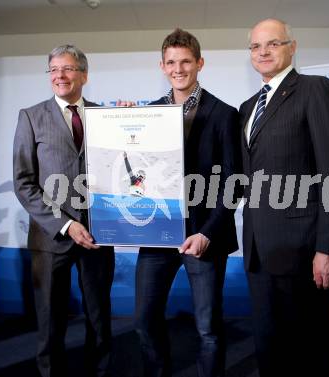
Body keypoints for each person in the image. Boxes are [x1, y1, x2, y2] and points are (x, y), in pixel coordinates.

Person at [239, 19, 329, 376]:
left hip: (305, 253)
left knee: (309, 350)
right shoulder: (246, 108)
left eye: (273, 43)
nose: (263, 52)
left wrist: (328, 248)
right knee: (270, 347)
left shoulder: (314, 90)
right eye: (256, 46)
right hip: (259, 250)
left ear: (292, 47)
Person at [134, 28, 241, 377]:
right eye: (171, 62)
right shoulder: (146, 115)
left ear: (199, 63)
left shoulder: (224, 114)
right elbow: (137, 177)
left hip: (204, 237)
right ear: (162, 66)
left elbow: (233, 183)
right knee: (144, 320)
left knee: (208, 328)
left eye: (185, 62)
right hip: (156, 237)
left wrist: (208, 233)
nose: (178, 69)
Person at [13, 44, 115, 377]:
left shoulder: (105, 116)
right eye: (54, 69)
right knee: (50, 321)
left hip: (99, 234)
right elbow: (24, 183)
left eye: (68, 68)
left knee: (99, 319)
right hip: (50, 238)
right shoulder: (30, 116)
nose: (60, 75)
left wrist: (131, 120)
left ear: (83, 74)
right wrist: (66, 225)